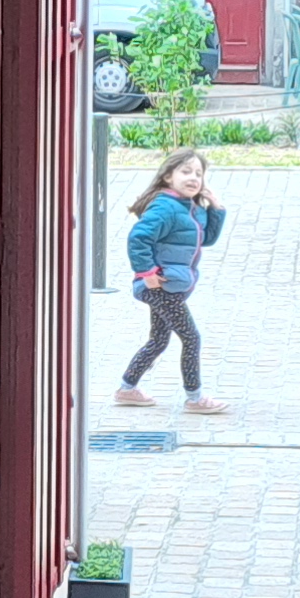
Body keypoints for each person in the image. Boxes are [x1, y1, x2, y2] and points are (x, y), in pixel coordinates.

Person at [115, 149, 228, 414]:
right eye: (186, 171)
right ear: (168, 176)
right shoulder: (165, 206)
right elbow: (138, 238)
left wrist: (216, 208)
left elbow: (207, 239)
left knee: (159, 340)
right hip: (160, 286)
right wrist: (147, 273)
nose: (194, 178)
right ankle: (195, 397)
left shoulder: (190, 208)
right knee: (191, 338)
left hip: (170, 285)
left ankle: (127, 389)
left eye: (198, 173)